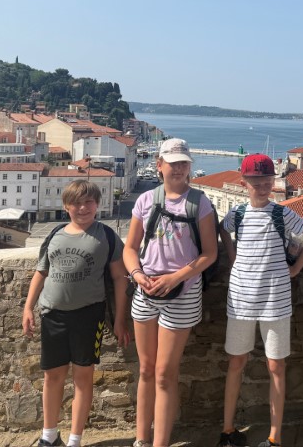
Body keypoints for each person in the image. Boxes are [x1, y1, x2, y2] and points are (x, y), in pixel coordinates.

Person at [218, 153, 303, 447]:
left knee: (276, 366)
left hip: (275, 299)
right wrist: (233, 257)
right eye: (256, 183)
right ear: (244, 183)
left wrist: (296, 269)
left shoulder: (281, 214)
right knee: (236, 361)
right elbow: (223, 229)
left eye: (267, 182)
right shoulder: (237, 214)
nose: (263, 188)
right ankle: (227, 430)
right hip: (241, 298)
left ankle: (275, 436)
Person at [124, 138, 218, 447]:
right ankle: (141, 439)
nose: (178, 168)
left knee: (165, 372)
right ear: (160, 165)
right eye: (173, 163)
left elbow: (210, 253)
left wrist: (176, 278)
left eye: (183, 163)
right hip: (146, 290)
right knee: (146, 369)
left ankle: (160, 442)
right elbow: (130, 248)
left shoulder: (200, 203)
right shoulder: (146, 200)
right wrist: (138, 275)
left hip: (183, 292)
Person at [23, 179, 130, 447]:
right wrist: (28, 307)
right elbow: (41, 272)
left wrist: (119, 319)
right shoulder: (55, 235)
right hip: (53, 314)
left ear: (97, 204)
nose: (83, 208)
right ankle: (49, 435)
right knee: (52, 376)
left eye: (88, 202)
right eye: (76, 203)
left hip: (88, 316)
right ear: (66, 206)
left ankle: (75, 439)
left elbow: (120, 279)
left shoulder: (106, 236)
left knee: (83, 378)